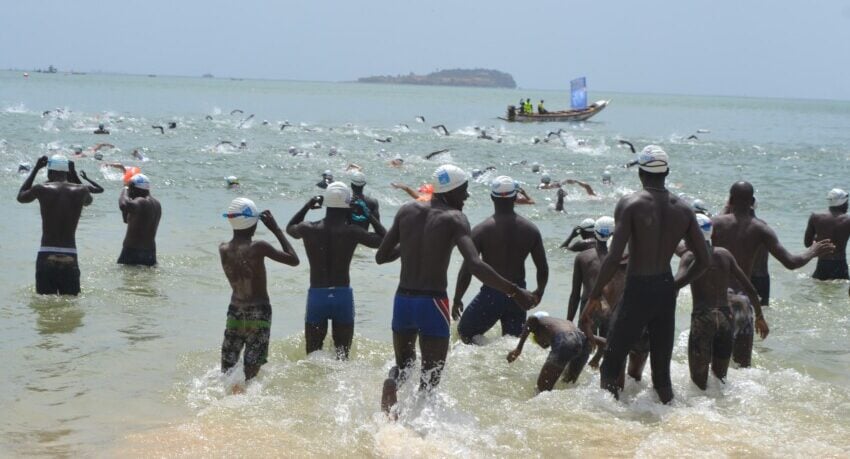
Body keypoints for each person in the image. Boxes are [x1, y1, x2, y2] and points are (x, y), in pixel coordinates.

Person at [376, 165, 536, 416]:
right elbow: (475, 264)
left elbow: (381, 256)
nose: (466, 197)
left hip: (403, 301)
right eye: (463, 191)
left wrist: (410, 246)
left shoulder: (406, 210)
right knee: (430, 380)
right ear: (450, 191)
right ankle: (419, 430)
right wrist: (515, 291)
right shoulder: (455, 219)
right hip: (433, 304)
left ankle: (392, 385)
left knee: (404, 365)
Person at [585, 145, 710, 403]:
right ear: (667, 172)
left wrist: (594, 295)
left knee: (611, 362)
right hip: (665, 289)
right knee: (661, 373)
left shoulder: (630, 204)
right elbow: (704, 259)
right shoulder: (685, 209)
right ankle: (670, 420)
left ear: (641, 173)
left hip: (637, 290)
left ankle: (608, 424)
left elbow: (612, 258)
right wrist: (676, 285)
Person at [712, 181, 834, 367]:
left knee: (714, 363)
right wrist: (813, 251)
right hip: (742, 302)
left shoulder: (714, 223)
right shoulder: (761, 228)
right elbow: (791, 262)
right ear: (752, 201)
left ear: (730, 200)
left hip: (715, 301)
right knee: (743, 367)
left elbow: (690, 251)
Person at [286, 182, 387, 358]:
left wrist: (307, 206)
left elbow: (290, 229)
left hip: (317, 296)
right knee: (342, 356)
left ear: (325, 204)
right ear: (349, 206)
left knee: (313, 356)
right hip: (342, 297)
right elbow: (383, 240)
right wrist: (368, 215)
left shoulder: (308, 228)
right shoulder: (353, 231)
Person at [677, 214, 768, 389]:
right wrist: (759, 316)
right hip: (726, 319)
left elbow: (675, 285)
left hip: (703, 319)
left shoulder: (689, 257)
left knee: (698, 384)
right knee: (721, 381)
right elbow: (750, 288)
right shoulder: (725, 254)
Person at [453, 176, 548, 342]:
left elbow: (468, 269)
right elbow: (542, 267)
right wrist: (539, 292)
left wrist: (457, 298)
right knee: (512, 344)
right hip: (519, 296)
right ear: (515, 197)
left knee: (464, 334)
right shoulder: (531, 230)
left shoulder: (481, 230)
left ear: (491, 197)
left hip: (491, 294)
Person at [219, 198, 299, 387]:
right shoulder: (259, 247)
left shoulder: (223, 249)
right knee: (251, 375)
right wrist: (276, 229)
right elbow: (294, 259)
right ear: (253, 223)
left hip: (234, 311)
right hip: (259, 312)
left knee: (228, 370)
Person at [17, 155, 93, 295]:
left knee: (45, 304)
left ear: (49, 172)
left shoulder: (41, 188)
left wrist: (35, 169)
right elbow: (89, 201)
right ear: (67, 171)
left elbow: (21, 197)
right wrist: (74, 176)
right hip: (70, 253)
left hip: (46, 252)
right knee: (70, 302)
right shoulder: (82, 191)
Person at [506, 312, 593, 392]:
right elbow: (598, 340)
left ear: (535, 332)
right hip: (584, 343)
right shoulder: (559, 324)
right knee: (567, 385)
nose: (544, 346)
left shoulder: (539, 322)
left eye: (534, 340)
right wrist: (598, 355)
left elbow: (531, 319)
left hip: (565, 341)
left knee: (541, 390)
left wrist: (518, 349)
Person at [567, 217, 613, 322]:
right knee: (607, 338)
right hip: (610, 307)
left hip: (588, 306)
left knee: (585, 337)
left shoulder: (582, 256)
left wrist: (568, 322)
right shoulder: (617, 258)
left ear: (595, 233)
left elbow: (575, 295)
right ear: (612, 235)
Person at [804, 188, 850, 280]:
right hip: (840, 266)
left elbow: (807, 243)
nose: (847, 205)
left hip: (822, 266)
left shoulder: (815, 217)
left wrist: (819, 237)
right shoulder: (848, 220)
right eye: (847, 202)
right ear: (842, 203)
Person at [116, 174, 161, 266]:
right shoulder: (157, 204)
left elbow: (124, 205)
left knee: (128, 279)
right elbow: (126, 220)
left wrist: (125, 188)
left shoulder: (141, 201)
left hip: (133, 252)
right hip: (150, 253)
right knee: (145, 279)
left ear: (134, 188)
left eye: (131, 188)